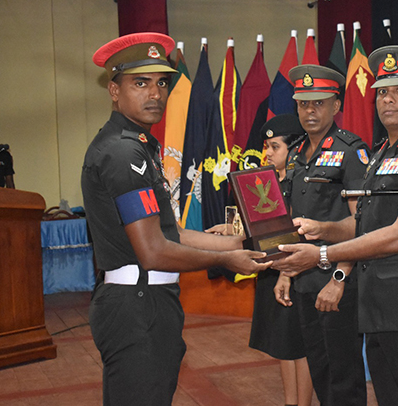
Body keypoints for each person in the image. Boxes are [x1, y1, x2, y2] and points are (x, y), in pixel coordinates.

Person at [81, 32, 271, 406]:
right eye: (141, 83)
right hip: (137, 304)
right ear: (114, 90)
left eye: (162, 83)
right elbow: (153, 251)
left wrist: (239, 243)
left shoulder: (139, 147)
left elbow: (172, 233)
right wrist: (225, 259)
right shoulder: (122, 154)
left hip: (148, 300)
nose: (155, 94)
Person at [273, 46, 398, 406]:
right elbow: (363, 225)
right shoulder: (379, 157)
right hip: (376, 308)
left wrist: (323, 256)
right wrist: (321, 230)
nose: (388, 99)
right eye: (382, 91)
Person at [274, 64, 369, 406]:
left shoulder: (351, 151)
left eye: (319, 103)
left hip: (337, 279)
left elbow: (363, 224)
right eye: (303, 104)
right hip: (304, 279)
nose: (310, 111)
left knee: (344, 377)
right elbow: (293, 220)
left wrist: (340, 278)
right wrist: (286, 272)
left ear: (336, 105)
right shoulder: (296, 153)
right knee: (320, 370)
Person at [249, 114, 314, 406]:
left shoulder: (304, 184)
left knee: (300, 345)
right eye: (266, 146)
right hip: (271, 269)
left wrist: (285, 273)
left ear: (295, 148)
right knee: (281, 343)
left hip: (296, 272)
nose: (267, 153)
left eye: (275, 146)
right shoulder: (270, 184)